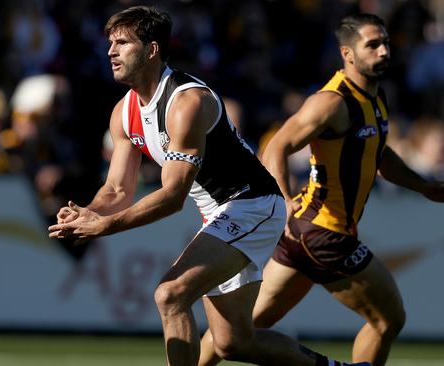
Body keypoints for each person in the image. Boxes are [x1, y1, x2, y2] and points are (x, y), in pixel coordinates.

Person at [48, 6, 369, 366]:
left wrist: (104, 226)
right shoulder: (123, 113)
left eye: (123, 42)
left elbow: (172, 197)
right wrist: (88, 213)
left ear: (152, 50)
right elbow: (117, 191)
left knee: (170, 294)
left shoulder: (187, 102)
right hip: (221, 213)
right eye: (110, 42)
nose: (111, 51)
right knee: (234, 343)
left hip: (253, 205)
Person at [198, 13, 444, 366]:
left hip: (305, 233)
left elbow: (380, 156)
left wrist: (424, 187)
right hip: (323, 234)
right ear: (348, 53)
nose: (384, 51)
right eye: (372, 45)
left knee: (242, 330)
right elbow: (276, 147)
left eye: (385, 42)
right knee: (388, 318)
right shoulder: (332, 102)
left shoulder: (375, 97)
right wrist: (282, 200)